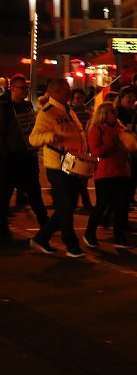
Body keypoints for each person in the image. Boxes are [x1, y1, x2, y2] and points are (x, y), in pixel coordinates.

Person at [28, 78, 88, 258]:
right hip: (57, 165)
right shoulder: (47, 112)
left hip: (72, 164)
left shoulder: (67, 110)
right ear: (55, 92)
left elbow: (78, 132)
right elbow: (34, 139)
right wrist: (50, 136)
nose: (69, 92)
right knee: (66, 207)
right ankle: (71, 244)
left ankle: (41, 238)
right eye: (65, 90)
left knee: (67, 206)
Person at [0, 74, 49, 242]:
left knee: (35, 195)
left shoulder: (28, 106)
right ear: (12, 89)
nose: (26, 91)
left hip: (28, 158)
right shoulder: (4, 107)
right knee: (5, 195)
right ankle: (3, 230)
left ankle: (45, 227)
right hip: (10, 160)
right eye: (22, 88)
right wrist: (6, 155)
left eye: (27, 88)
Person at [82, 101, 134, 249]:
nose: (115, 114)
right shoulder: (97, 129)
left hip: (122, 171)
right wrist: (112, 142)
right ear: (104, 114)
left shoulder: (120, 128)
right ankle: (89, 233)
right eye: (112, 111)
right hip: (105, 173)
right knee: (102, 204)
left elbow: (130, 145)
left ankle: (119, 237)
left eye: (115, 111)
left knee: (121, 206)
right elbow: (96, 151)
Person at [70, 88, 94, 210]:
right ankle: (81, 202)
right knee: (75, 177)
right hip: (73, 147)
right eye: (77, 98)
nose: (80, 100)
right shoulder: (69, 112)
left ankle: (82, 202)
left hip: (85, 147)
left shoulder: (87, 111)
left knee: (83, 176)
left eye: (81, 98)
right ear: (72, 99)